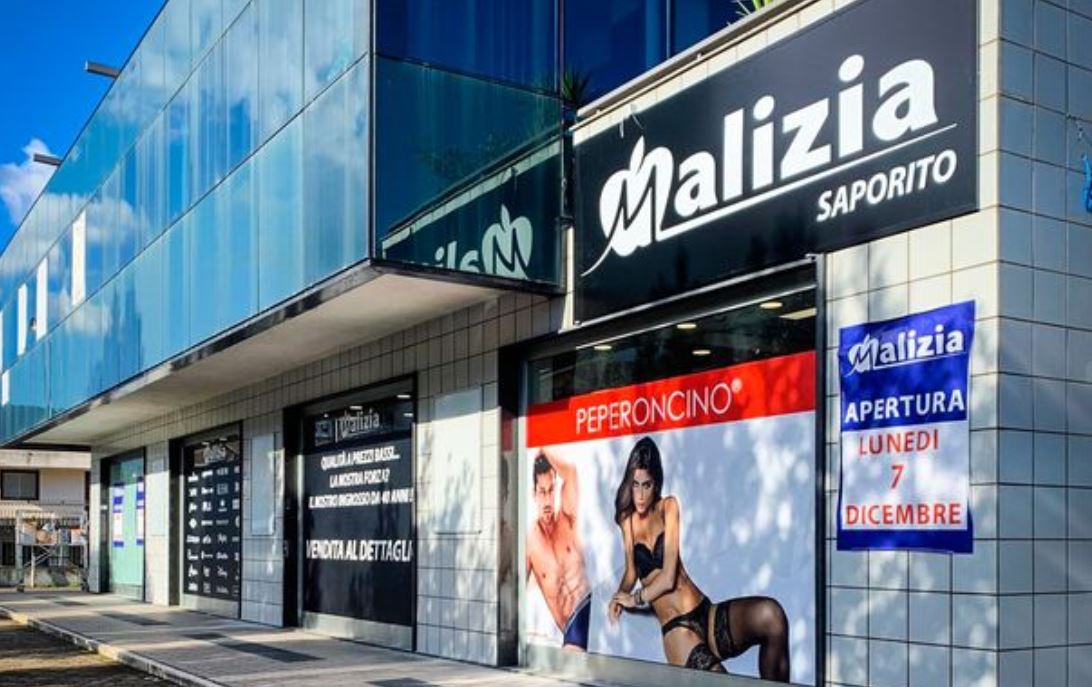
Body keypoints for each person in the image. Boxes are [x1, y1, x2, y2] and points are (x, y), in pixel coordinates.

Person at [608, 437, 790, 680]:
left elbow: (668, 577)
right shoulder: (628, 523)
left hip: (705, 613)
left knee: (772, 616)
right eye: (635, 485)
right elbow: (632, 571)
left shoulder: (668, 507)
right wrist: (619, 596)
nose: (640, 495)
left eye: (647, 485)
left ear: (656, 484)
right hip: (677, 630)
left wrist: (635, 598)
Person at [526, 450, 592, 651]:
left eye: (551, 490)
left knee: (571, 656)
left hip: (587, 608)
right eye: (542, 491)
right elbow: (516, 590)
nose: (547, 500)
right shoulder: (530, 545)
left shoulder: (566, 517)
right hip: (569, 630)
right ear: (534, 494)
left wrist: (543, 448)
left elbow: (571, 472)